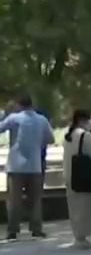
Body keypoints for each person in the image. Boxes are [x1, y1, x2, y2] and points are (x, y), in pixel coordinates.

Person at [2, 95, 54, 240]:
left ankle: (13, 231)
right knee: (35, 200)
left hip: (16, 166)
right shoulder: (42, 120)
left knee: (14, 200)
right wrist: (37, 144)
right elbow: (50, 138)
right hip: (35, 165)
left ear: (18, 105)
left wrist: (5, 114)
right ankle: (36, 229)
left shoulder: (14, 118)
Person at [64, 109, 91, 249]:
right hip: (84, 177)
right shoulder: (85, 135)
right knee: (86, 207)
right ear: (82, 120)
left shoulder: (69, 135)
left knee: (75, 208)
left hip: (70, 176)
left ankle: (78, 236)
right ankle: (82, 237)